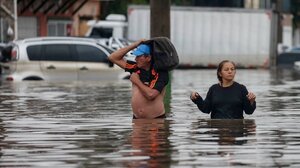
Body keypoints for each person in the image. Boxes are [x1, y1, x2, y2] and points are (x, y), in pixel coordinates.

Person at [108, 40, 169, 119]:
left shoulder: (160, 73)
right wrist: (134, 45)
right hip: (137, 120)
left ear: (148, 58)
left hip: (155, 121)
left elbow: (151, 95)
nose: (135, 59)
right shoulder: (135, 67)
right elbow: (112, 57)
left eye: (138, 56)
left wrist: (136, 81)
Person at [190, 60, 256, 119]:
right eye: (226, 70)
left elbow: (249, 111)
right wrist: (196, 98)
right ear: (220, 73)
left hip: (236, 129)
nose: (230, 71)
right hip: (217, 128)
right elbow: (206, 109)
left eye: (232, 69)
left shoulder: (241, 89)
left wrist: (252, 101)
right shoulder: (213, 89)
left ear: (235, 72)